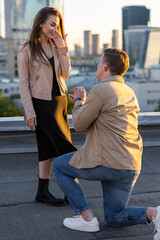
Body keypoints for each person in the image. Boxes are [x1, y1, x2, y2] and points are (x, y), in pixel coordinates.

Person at [53, 48, 160, 239]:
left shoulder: (101, 89)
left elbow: (78, 124)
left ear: (105, 66)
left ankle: (86, 218)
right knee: (114, 216)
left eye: (99, 61)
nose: (96, 65)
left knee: (59, 166)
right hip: (130, 165)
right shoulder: (129, 91)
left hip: (108, 162)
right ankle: (155, 214)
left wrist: (78, 101)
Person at [18, 7, 77, 206]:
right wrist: (29, 110)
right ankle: (73, 190)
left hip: (59, 101)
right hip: (41, 104)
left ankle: (42, 192)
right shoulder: (26, 48)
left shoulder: (57, 44)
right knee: (66, 149)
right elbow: (23, 83)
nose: (55, 29)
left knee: (46, 148)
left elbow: (66, 73)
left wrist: (62, 47)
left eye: (57, 26)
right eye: (52, 24)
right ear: (41, 23)